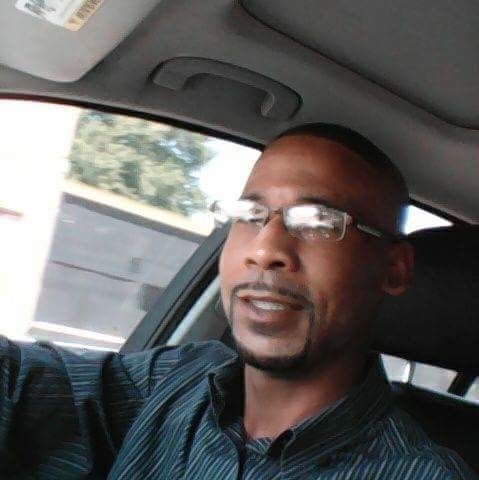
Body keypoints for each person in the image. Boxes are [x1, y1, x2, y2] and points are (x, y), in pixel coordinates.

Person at [0, 124, 476, 479]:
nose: (264, 249)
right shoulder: (173, 381)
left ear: (394, 270)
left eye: (318, 221)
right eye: (250, 214)